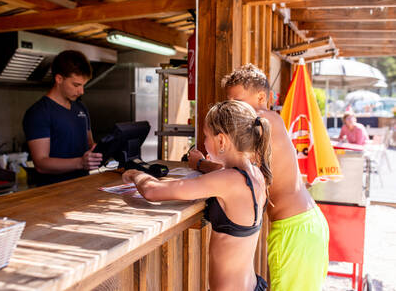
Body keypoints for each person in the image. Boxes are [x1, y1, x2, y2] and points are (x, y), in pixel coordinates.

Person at [189, 64, 329, 291]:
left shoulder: (260, 121)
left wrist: (199, 163)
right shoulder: (272, 120)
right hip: (307, 224)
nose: (233, 110)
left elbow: (239, 179)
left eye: (237, 102)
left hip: (293, 231)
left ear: (261, 96)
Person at [123, 100, 270, 291]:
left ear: (222, 141)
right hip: (252, 285)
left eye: (206, 136)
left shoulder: (229, 180)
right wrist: (201, 163)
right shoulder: (255, 174)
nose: (203, 142)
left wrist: (136, 173)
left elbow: (152, 191)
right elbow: (221, 170)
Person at [23, 50, 102, 186]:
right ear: (59, 79)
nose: (81, 91)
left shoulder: (81, 108)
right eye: (76, 85)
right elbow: (41, 163)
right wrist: (80, 163)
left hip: (83, 187)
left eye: (84, 85)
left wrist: (105, 149)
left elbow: (90, 145)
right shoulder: (39, 112)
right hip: (53, 194)